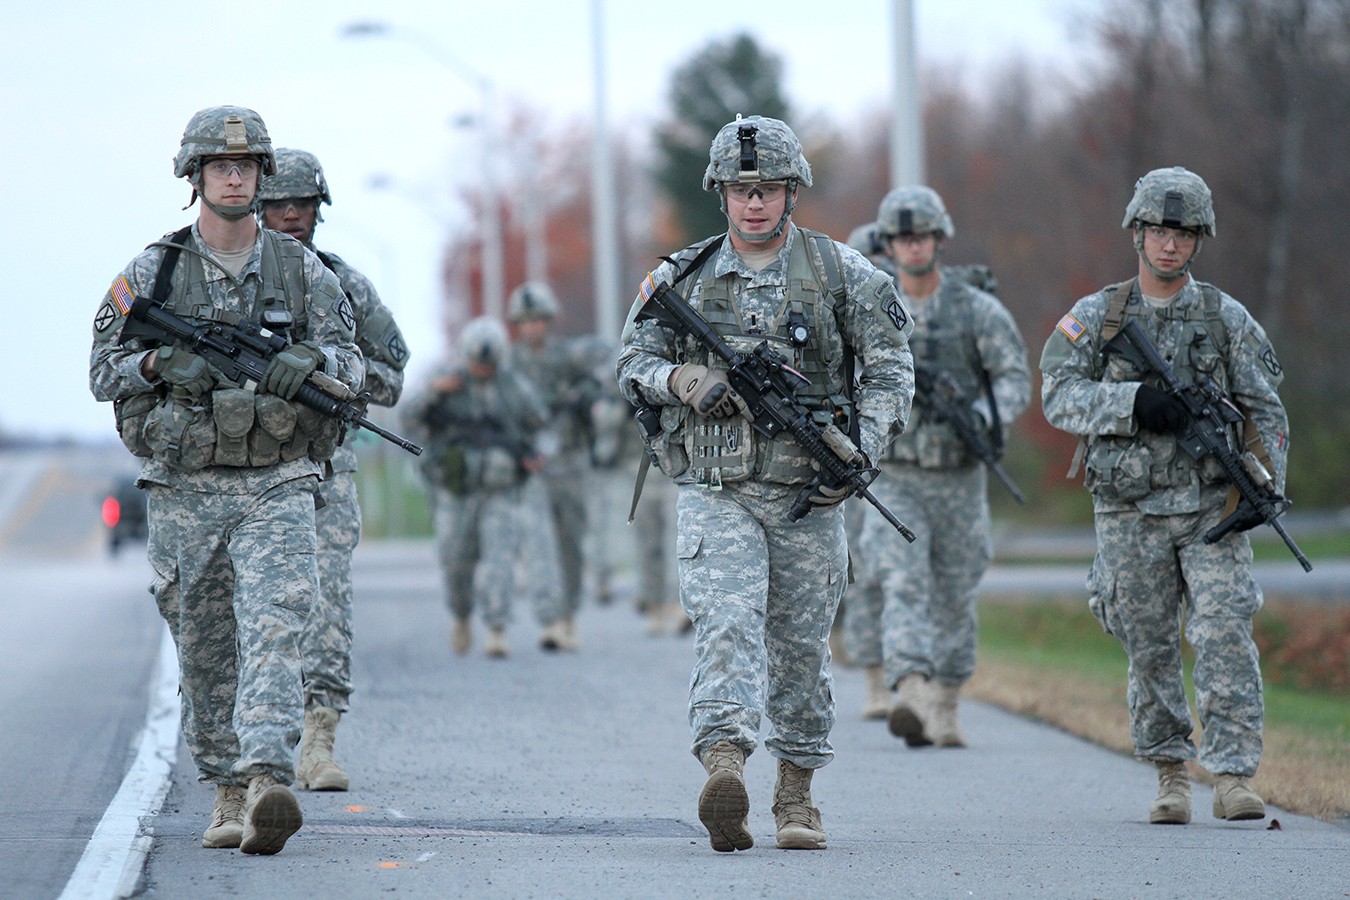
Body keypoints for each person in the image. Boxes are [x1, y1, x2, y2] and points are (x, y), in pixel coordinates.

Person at [615, 115, 914, 852]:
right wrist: (680, 377)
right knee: (726, 623)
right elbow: (631, 364)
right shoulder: (680, 278)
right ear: (720, 192)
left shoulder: (845, 274)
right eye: (743, 189)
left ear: (792, 193)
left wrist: (861, 451)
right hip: (716, 489)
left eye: (770, 189)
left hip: (809, 495)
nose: (755, 203)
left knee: (803, 648)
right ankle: (724, 764)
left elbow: (890, 371)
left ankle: (797, 794)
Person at [89, 106, 364, 855]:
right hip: (184, 489)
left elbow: (354, 365)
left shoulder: (302, 269)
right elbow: (101, 371)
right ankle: (227, 789)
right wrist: (155, 363)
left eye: (245, 167)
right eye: (219, 166)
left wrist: (315, 366)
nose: (234, 176)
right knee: (206, 647)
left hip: (278, 481)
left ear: (261, 176)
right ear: (196, 177)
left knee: (276, 620)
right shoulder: (154, 272)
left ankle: (270, 775)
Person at [1040, 167, 1288, 825]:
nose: (1169, 245)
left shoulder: (1224, 317)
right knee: (1148, 643)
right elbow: (1057, 395)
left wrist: (1266, 488)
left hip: (1212, 508)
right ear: (1137, 233)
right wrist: (1132, 403)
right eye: (1157, 230)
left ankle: (1232, 775)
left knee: (1226, 630)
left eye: (1182, 233)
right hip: (1129, 509)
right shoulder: (1099, 316)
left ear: (1198, 240)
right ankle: (1170, 773)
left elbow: (1267, 409)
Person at [845, 186, 1030, 745]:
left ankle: (947, 699)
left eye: (921, 236)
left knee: (955, 590)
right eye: (902, 238)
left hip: (958, 475)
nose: (913, 246)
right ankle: (912, 689)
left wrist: (979, 415)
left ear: (939, 239)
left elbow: (1014, 377)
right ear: (889, 244)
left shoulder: (977, 311)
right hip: (895, 473)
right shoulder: (869, 304)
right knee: (900, 580)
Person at [258, 148, 409, 792]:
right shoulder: (220, 282)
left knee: (326, 603)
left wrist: (328, 376)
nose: (291, 216)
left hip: (324, 467)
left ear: (320, 210)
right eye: (278, 205)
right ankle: (254, 746)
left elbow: (392, 373)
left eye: (303, 205)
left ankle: (318, 741)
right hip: (244, 469)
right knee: (252, 611)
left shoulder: (343, 283)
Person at [402, 316, 555, 658]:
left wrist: (540, 454)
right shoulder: (445, 381)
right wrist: (434, 392)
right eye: (476, 363)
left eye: (488, 364)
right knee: (454, 561)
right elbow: (408, 419)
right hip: (454, 491)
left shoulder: (514, 387)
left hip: (499, 490)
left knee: (499, 562)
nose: (482, 369)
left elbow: (543, 425)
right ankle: (460, 615)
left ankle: (496, 628)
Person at [507, 282, 608, 651]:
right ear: (518, 324)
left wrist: (586, 391)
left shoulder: (567, 356)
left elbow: (608, 358)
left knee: (569, 543)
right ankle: (548, 618)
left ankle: (568, 616)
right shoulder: (509, 364)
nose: (532, 327)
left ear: (549, 321)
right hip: (531, 468)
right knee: (537, 545)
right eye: (525, 321)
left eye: (539, 320)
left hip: (570, 462)